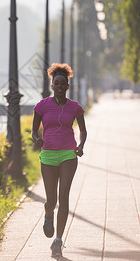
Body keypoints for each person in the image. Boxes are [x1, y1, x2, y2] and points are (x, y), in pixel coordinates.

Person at [31, 63, 87, 257]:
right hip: (48, 155)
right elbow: (34, 129)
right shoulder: (41, 106)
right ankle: (48, 215)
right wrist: (36, 138)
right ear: (52, 85)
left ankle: (58, 240)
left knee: (63, 198)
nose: (60, 86)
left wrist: (80, 146)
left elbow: (83, 130)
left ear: (68, 86)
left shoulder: (75, 107)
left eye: (64, 83)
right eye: (57, 83)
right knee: (51, 200)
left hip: (68, 155)